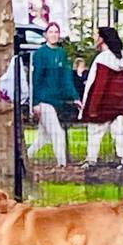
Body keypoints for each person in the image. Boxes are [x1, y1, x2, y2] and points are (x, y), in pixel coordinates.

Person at [27, 22, 79, 166]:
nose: (54, 35)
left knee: (43, 138)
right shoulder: (40, 54)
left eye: (56, 32)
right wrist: (35, 102)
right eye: (51, 32)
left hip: (57, 100)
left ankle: (25, 157)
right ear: (45, 35)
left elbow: (66, 78)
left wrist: (74, 97)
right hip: (44, 100)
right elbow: (36, 79)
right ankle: (62, 164)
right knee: (57, 133)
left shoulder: (62, 54)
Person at [81, 25, 123, 165]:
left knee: (94, 132)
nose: (95, 38)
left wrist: (92, 108)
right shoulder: (120, 59)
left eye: (97, 35)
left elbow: (99, 85)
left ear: (102, 39)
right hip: (118, 104)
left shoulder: (103, 59)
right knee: (120, 132)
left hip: (103, 104)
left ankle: (91, 159)